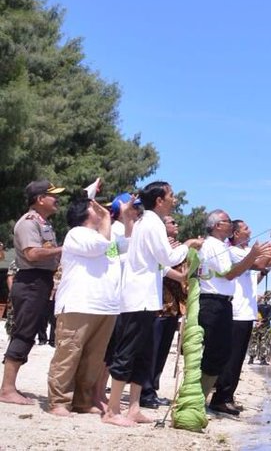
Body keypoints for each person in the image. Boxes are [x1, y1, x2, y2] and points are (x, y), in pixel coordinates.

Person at [106, 182, 202, 426]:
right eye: (171, 195)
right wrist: (188, 244)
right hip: (136, 298)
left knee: (144, 354)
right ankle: (112, 410)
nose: (174, 200)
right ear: (159, 200)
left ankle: (134, 408)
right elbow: (168, 257)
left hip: (148, 298)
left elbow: (159, 263)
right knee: (127, 353)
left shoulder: (146, 222)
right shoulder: (151, 223)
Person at [45, 197, 122, 416]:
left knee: (93, 358)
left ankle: (83, 400)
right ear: (85, 213)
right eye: (96, 208)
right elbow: (98, 246)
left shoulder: (108, 237)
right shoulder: (76, 233)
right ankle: (59, 401)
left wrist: (125, 216)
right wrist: (107, 218)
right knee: (68, 354)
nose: (103, 210)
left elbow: (125, 245)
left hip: (105, 305)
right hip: (79, 303)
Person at [211, 221, 271, 414]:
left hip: (246, 312)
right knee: (230, 358)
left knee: (238, 358)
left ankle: (227, 396)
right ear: (235, 233)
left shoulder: (246, 251)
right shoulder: (232, 250)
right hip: (235, 312)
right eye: (245, 228)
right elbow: (262, 262)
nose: (250, 230)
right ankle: (220, 398)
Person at [196, 210, 270, 409]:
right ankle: (202, 397)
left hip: (223, 302)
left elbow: (259, 265)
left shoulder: (222, 246)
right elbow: (230, 274)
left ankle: (203, 397)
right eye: (227, 221)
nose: (230, 224)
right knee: (216, 353)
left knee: (220, 353)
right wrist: (253, 254)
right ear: (217, 225)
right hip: (212, 301)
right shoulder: (213, 245)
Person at [0, 180, 64, 405]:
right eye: (52, 195)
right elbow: (32, 254)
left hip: (39, 282)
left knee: (27, 332)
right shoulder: (28, 223)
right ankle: (7, 389)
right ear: (40, 199)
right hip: (30, 282)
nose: (57, 199)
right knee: (23, 333)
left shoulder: (42, 222)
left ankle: (9, 387)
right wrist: (64, 249)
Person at [139, 213, 188, 410]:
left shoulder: (177, 246)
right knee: (152, 350)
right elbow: (168, 270)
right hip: (159, 304)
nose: (176, 225)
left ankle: (152, 389)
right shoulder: (163, 246)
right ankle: (145, 390)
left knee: (162, 352)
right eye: (172, 222)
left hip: (173, 306)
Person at [249, 290, 271, 365]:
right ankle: (262, 359)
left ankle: (251, 358)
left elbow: (254, 312)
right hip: (265, 325)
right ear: (269, 297)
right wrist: (262, 322)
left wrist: (258, 321)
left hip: (256, 323)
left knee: (254, 341)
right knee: (264, 342)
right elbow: (269, 317)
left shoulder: (258, 303)